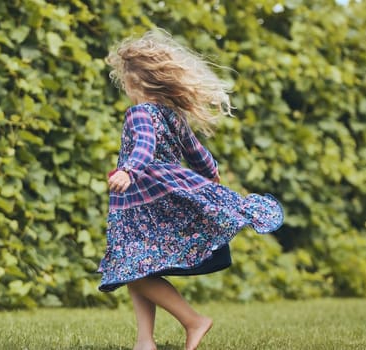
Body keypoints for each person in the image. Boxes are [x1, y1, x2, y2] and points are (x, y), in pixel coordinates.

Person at [97, 29, 284, 350]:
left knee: (133, 267)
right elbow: (196, 152)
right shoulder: (174, 114)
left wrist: (128, 170)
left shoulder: (140, 113)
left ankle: (193, 320)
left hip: (144, 202)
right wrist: (211, 175)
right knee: (138, 264)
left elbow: (143, 146)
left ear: (135, 84)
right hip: (155, 199)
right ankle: (145, 341)